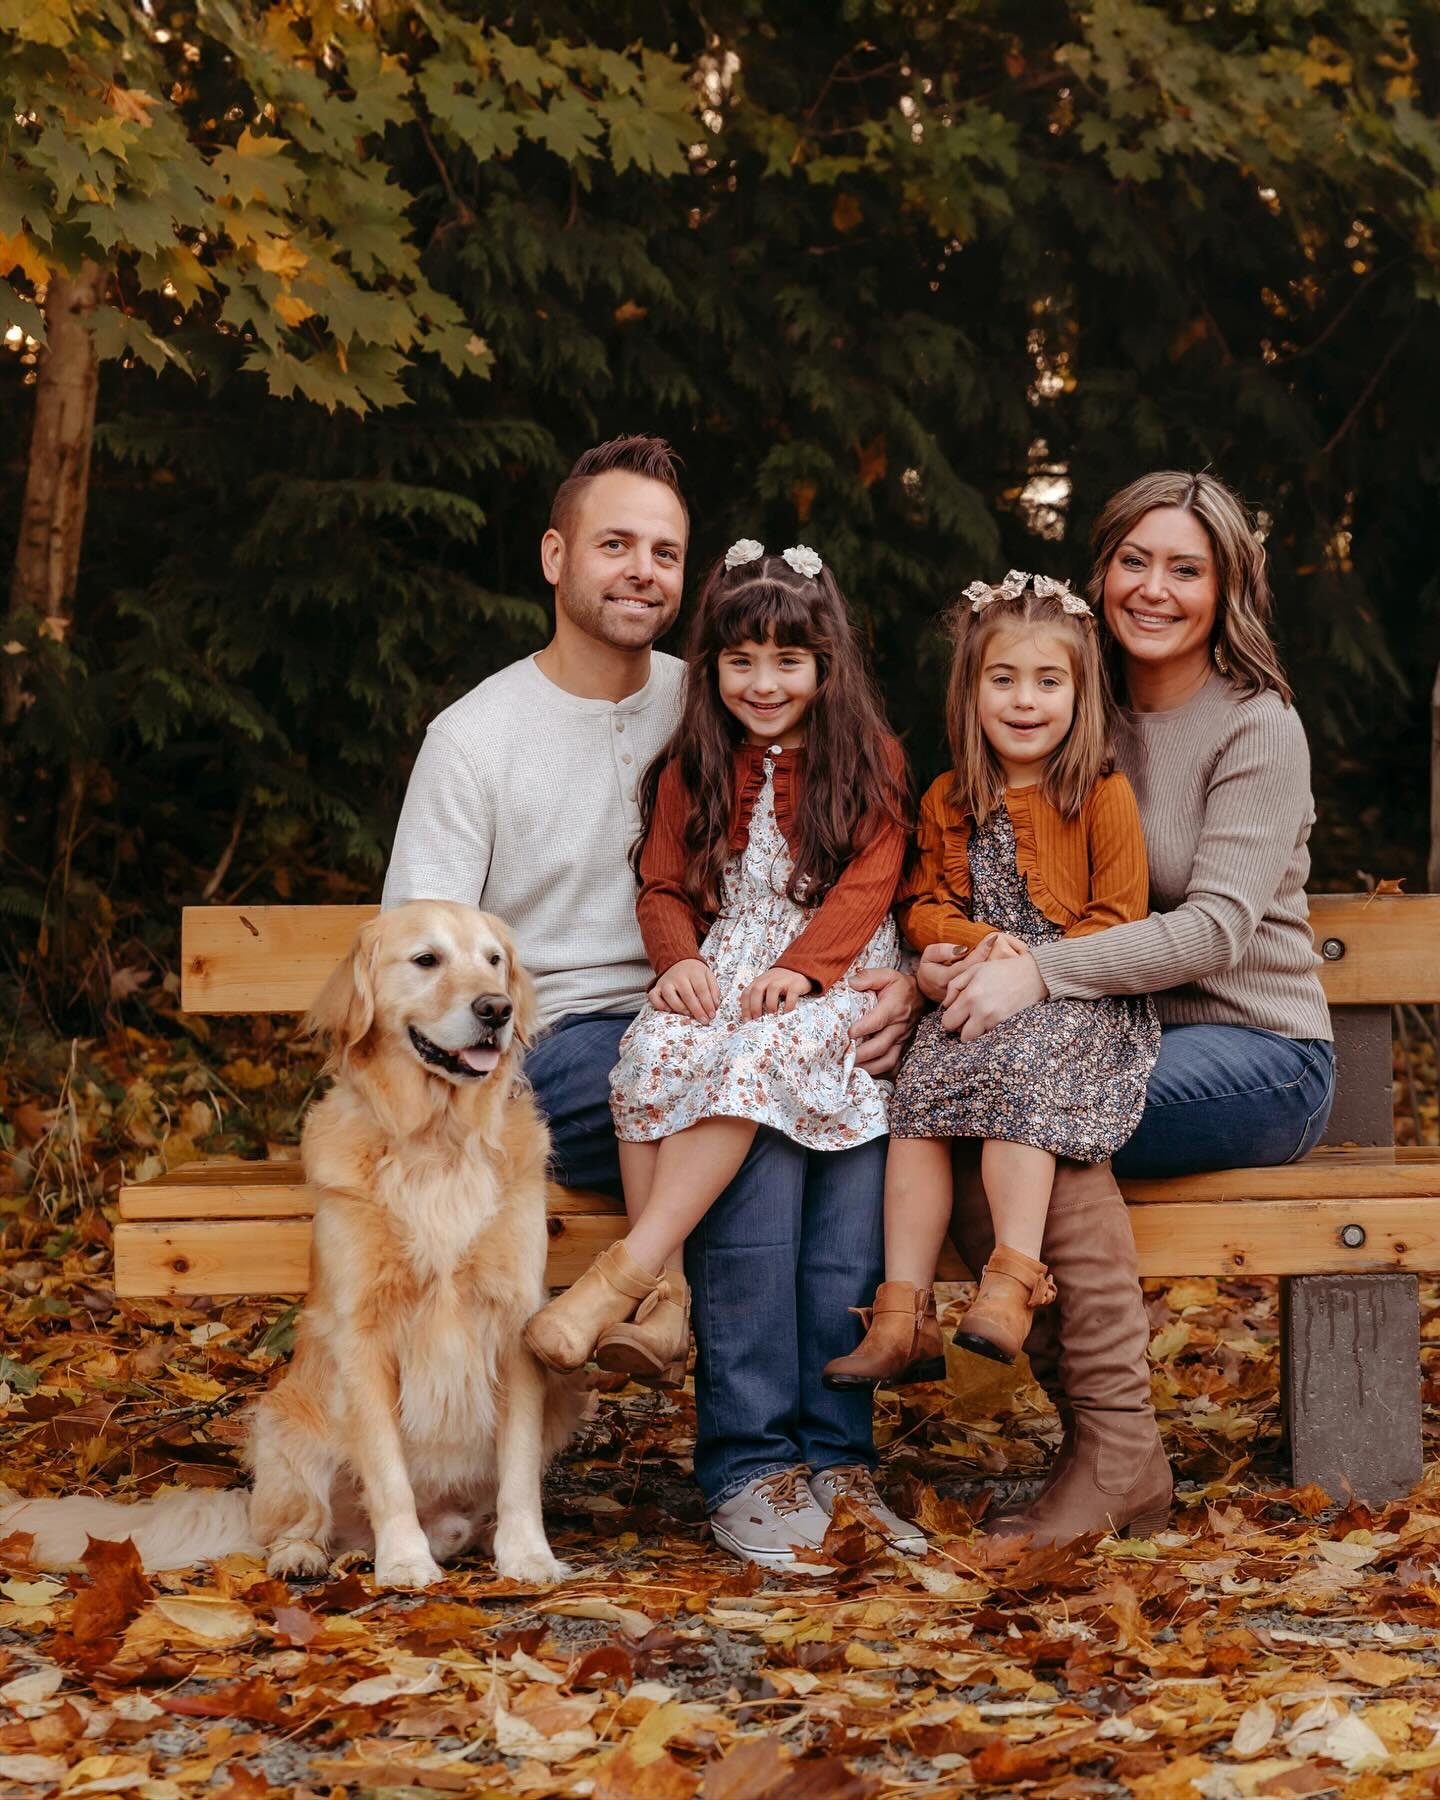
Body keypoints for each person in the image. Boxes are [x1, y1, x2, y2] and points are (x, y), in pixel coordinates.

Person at [383, 436, 922, 1568]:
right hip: (555, 1042)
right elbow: (413, 965)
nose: (640, 570)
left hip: (748, 1012)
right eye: (614, 544)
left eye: (664, 552)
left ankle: (838, 1465)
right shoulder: (474, 741)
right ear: (554, 556)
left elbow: (867, 850)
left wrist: (900, 983)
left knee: (835, 1117)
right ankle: (749, 1467)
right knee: (759, 1122)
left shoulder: (723, 691)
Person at [935, 470, 1333, 1545]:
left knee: (1035, 1114)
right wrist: (927, 965)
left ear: (1228, 589)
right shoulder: (1068, 695)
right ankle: (1110, 1456)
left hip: (1254, 1051)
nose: (1155, 589)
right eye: (1135, 561)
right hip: (1099, 1036)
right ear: (1101, 569)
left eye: (1186, 569)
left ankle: (1116, 1458)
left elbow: (1216, 932)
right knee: (975, 1103)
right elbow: (986, 878)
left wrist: (1043, 973)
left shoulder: (1257, 726)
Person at [523, 542, 908, 1398]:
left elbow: (871, 883)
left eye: (787, 662)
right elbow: (660, 884)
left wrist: (806, 970)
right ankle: (664, 1307)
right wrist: (677, 962)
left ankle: (621, 1279)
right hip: (727, 961)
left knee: (744, 1061)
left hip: (834, 975)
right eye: (740, 662)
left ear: (826, 666)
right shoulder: (694, 763)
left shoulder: (868, 758)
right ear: (712, 667)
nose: (762, 684)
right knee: (652, 1048)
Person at [822, 570, 1159, 1390]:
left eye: (1048, 682)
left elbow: (1121, 919)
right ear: (970, 690)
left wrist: (1032, 965)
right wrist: (969, 944)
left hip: (1081, 1000)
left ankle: (1013, 1280)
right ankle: (902, 1313)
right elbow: (920, 904)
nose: (1024, 700)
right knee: (917, 1091)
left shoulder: (1101, 794)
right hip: (975, 994)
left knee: (1024, 1070)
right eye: (1002, 679)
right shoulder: (948, 797)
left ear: (1081, 693)